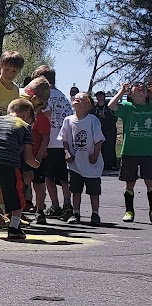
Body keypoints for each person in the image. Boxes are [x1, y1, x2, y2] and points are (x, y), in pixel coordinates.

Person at [0, 99, 39, 240]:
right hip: (8, 162)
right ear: (27, 114)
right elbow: (28, 157)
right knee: (17, 195)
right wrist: (37, 165)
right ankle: (14, 228)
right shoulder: (24, 126)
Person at [32, 65, 74, 221]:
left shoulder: (45, 96)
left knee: (48, 177)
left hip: (48, 141)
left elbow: (46, 115)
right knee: (63, 177)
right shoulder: (63, 97)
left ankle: (55, 205)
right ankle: (67, 204)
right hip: (63, 142)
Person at [108, 81, 152, 223]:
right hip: (130, 151)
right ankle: (129, 211)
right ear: (130, 94)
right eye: (137, 86)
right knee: (130, 183)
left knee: (150, 182)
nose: (141, 87)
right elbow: (111, 105)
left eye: (143, 86)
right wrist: (121, 91)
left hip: (149, 152)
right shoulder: (127, 107)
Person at [59, 93, 104, 225]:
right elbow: (64, 139)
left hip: (91, 164)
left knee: (93, 191)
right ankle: (76, 213)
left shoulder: (92, 120)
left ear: (89, 105)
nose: (78, 98)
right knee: (75, 189)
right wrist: (67, 152)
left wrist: (95, 155)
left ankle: (95, 214)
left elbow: (99, 140)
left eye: (83, 97)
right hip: (75, 163)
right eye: (76, 97)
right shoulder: (68, 120)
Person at [23, 77, 52, 224]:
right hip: (24, 156)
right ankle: (19, 210)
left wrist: (39, 156)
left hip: (37, 157)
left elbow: (45, 139)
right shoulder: (24, 117)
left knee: (39, 184)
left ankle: (40, 210)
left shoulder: (41, 119)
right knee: (22, 182)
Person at [91, 91, 118, 171]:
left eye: (101, 96)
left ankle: (111, 165)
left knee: (109, 147)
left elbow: (115, 118)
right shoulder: (94, 108)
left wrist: (105, 116)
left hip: (109, 130)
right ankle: (101, 164)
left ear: (104, 96)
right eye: (97, 96)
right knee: (99, 147)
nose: (99, 97)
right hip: (98, 130)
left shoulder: (109, 106)